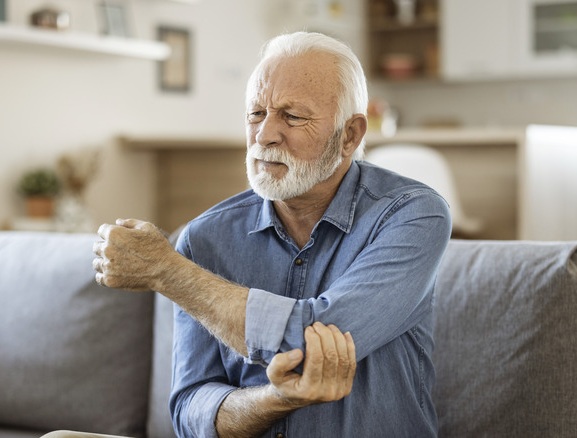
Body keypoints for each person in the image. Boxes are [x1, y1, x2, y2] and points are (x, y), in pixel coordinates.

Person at [92, 31, 451, 438]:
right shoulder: (203, 238)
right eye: (256, 114)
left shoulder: (411, 215)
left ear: (349, 135)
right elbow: (191, 410)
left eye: (292, 116)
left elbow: (314, 340)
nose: (264, 136)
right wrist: (276, 400)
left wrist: (169, 272)